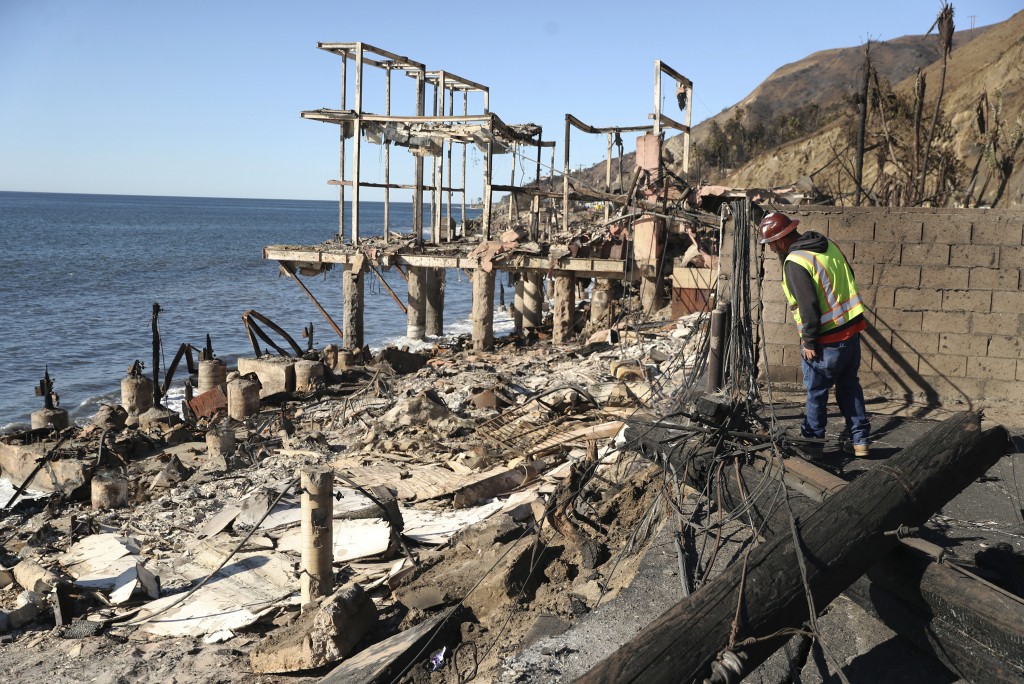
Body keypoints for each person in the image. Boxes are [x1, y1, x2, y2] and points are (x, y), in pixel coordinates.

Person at [759, 212, 870, 456]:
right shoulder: (826, 244)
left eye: (771, 244)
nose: (770, 250)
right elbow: (848, 275)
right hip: (851, 331)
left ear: (780, 240)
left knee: (816, 392)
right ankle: (860, 440)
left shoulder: (795, 263)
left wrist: (809, 340)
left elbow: (808, 304)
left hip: (825, 339)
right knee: (849, 386)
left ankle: (813, 444)